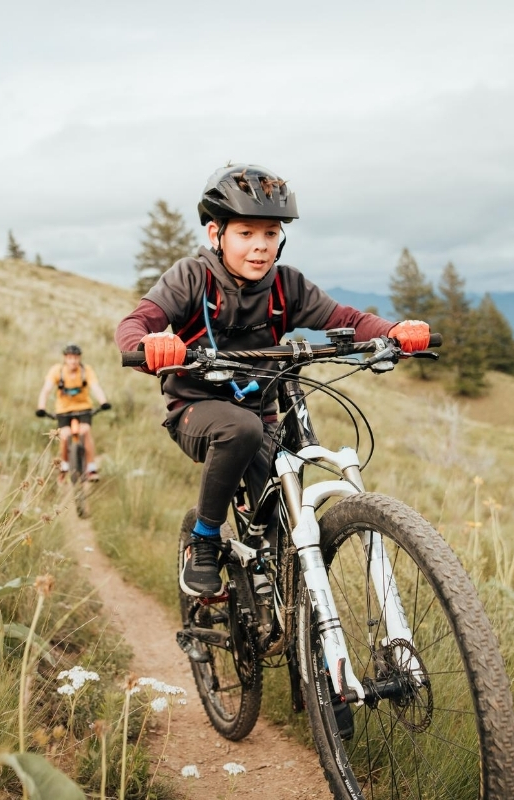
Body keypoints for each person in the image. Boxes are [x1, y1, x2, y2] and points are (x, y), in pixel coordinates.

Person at [115, 164, 430, 597]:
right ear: (216, 234)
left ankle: (277, 582)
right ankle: (204, 539)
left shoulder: (286, 286)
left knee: (288, 475)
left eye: (271, 233)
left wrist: (394, 331)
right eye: (246, 233)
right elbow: (135, 324)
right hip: (195, 409)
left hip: (262, 412)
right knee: (240, 429)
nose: (261, 247)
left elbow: (349, 320)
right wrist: (151, 344)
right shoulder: (192, 278)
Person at [36, 343, 111, 481]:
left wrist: (103, 401)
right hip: (63, 410)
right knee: (64, 436)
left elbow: (95, 387)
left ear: (79, 358)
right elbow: (46, 390)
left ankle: (91, 468)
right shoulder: (57, 371)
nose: (73, 361)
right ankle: (64, 465)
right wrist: (41, 407)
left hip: (83, 408)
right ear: (65, 358)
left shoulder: (85, 371)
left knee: (86, 431)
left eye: (76, 358)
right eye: (70, 358)